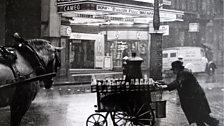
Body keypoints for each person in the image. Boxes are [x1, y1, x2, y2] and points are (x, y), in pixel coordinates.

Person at [160, 60, 219, 126]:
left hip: (196, 99)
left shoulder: (184, 73)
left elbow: (177, 83)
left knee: (202, 117)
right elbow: (177, 82)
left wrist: (166, 87)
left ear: (177, 69)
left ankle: (215, 123)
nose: (173, 71)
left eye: (173, 69)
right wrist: (166, 86)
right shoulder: (182, 73)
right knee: (198, 118)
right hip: (194, 98)